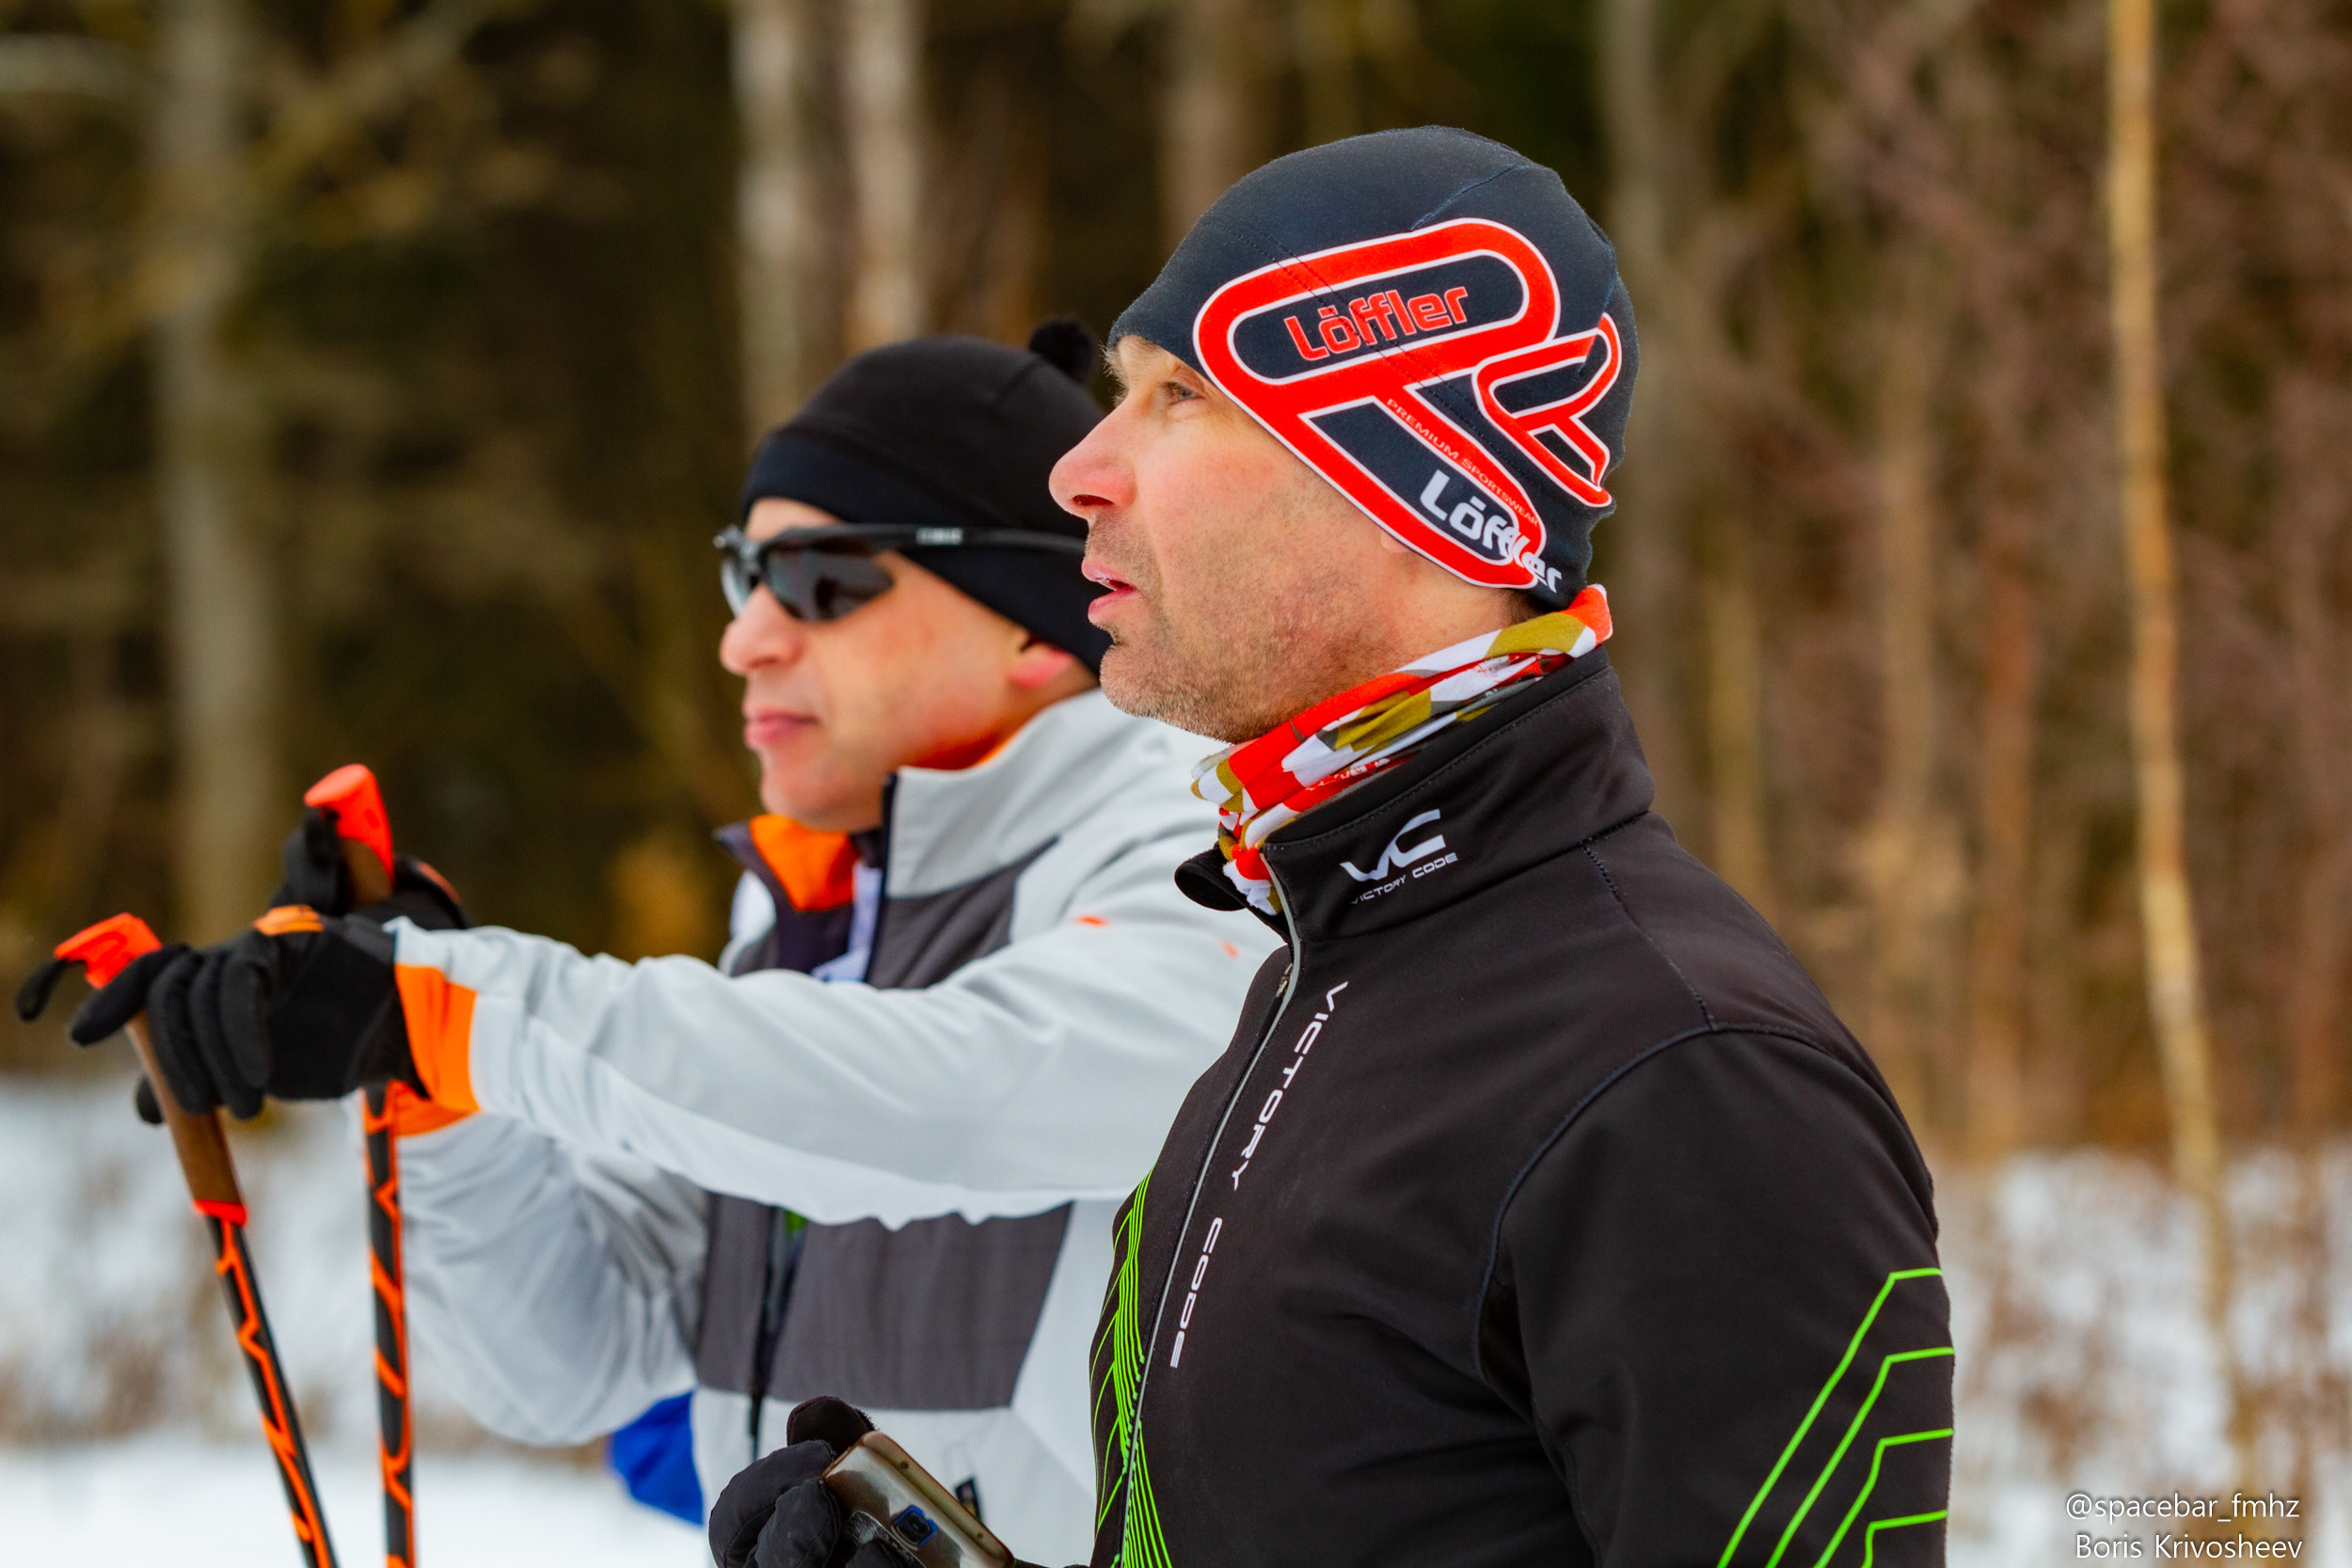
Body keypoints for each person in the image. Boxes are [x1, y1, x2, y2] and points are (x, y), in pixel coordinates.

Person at [704, 127, 1952, 1568]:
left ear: (1412, 490)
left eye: (1178, 397)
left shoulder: (1687, 1076)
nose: (1078, 471)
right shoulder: (1321, 976)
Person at [63, 325, 1275, 1564]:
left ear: (1032, 621)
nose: (746, 638)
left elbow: (981, 1088)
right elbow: (567, 1359)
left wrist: (457, 1008)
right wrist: (437, 1095)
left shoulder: (1208, 843)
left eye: (819, 581)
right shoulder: (813, 913)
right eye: (740, 575)